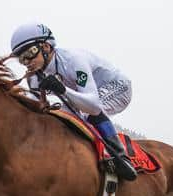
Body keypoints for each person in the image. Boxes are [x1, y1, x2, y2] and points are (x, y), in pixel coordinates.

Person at [10, 23, 137, 181]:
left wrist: (63, 90)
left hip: (117, 86)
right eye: (22, 59)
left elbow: (94, 106)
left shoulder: (73, 60)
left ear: (46, 47)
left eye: (30, 53)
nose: (27, 62)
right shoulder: (34, 78)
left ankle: (120, 157)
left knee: (86, 113)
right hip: (86, 94)